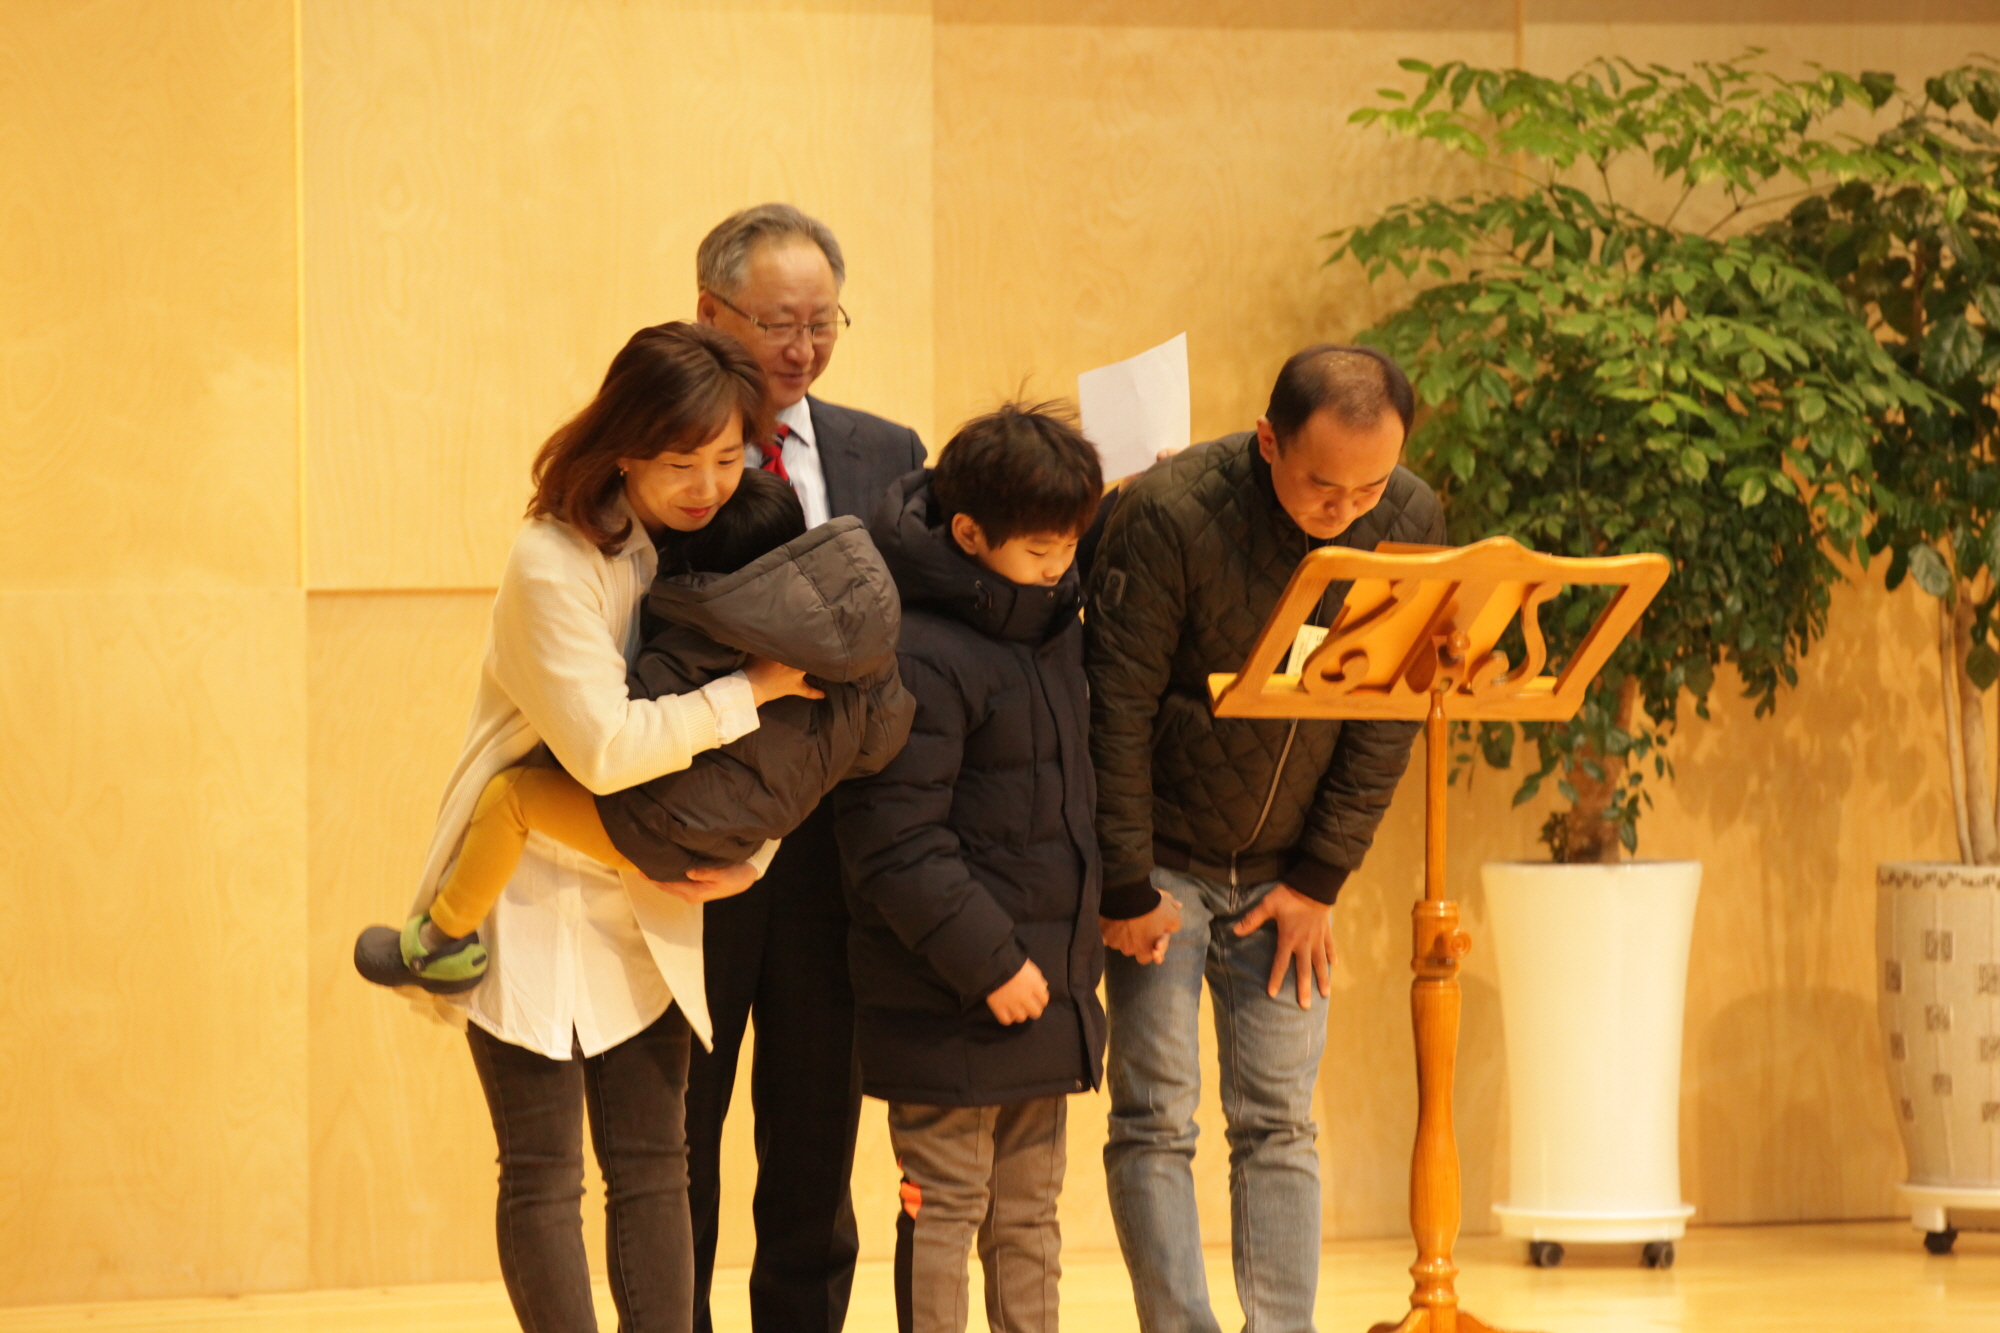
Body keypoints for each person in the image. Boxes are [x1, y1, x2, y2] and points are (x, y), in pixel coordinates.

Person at [360, 322, 820, 1333]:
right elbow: (606, 747)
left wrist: (747, 855)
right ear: (623, 449)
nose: (708, 484)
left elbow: (795, 743)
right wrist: (746, 688)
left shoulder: (719, 538)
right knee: (541, 1171)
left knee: (656, 1165)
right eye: (681, 462)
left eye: (725, 457)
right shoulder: (551, 559)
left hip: (649, 887)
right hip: (523, 886)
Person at [1085, 345, 1447, 1333]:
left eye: (1368, 487)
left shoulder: (1409, 516)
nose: (1347, 510)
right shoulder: (1168, 513)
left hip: (1289, 874)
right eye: (1323, 485)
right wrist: (1124, 884)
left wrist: (1321, 877)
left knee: (1280, 1120)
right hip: (1162, 863)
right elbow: (1113, 710)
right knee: (1155, 1117)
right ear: (1266, 440)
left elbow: (1387, 712)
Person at [353, 467, 914, 992]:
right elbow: (875, 745)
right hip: (744, 840)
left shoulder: (699, 630)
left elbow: (626, 731)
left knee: (510, 798)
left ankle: (440, 942)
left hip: (661, 828)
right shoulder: (853, 652)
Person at [688, 202, 929, 1333]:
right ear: (711, 314)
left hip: (838, 845)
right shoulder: (660, 452)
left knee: (816, 1129)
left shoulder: (888, 452)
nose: (802, 347)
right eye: (778, 323)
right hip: (699, 836)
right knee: (677, 1130)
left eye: (822, 322)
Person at [835, 403, 1105, 1333]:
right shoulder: (918, 650)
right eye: (1040, 548)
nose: (1059, 565)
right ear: (967, 534)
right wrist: (992, 962)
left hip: (1042, 983)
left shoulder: (1050, 627)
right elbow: (893, 841)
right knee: (946, 1206)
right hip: (950, 988)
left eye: (1070, 544)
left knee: (1029, 1213)